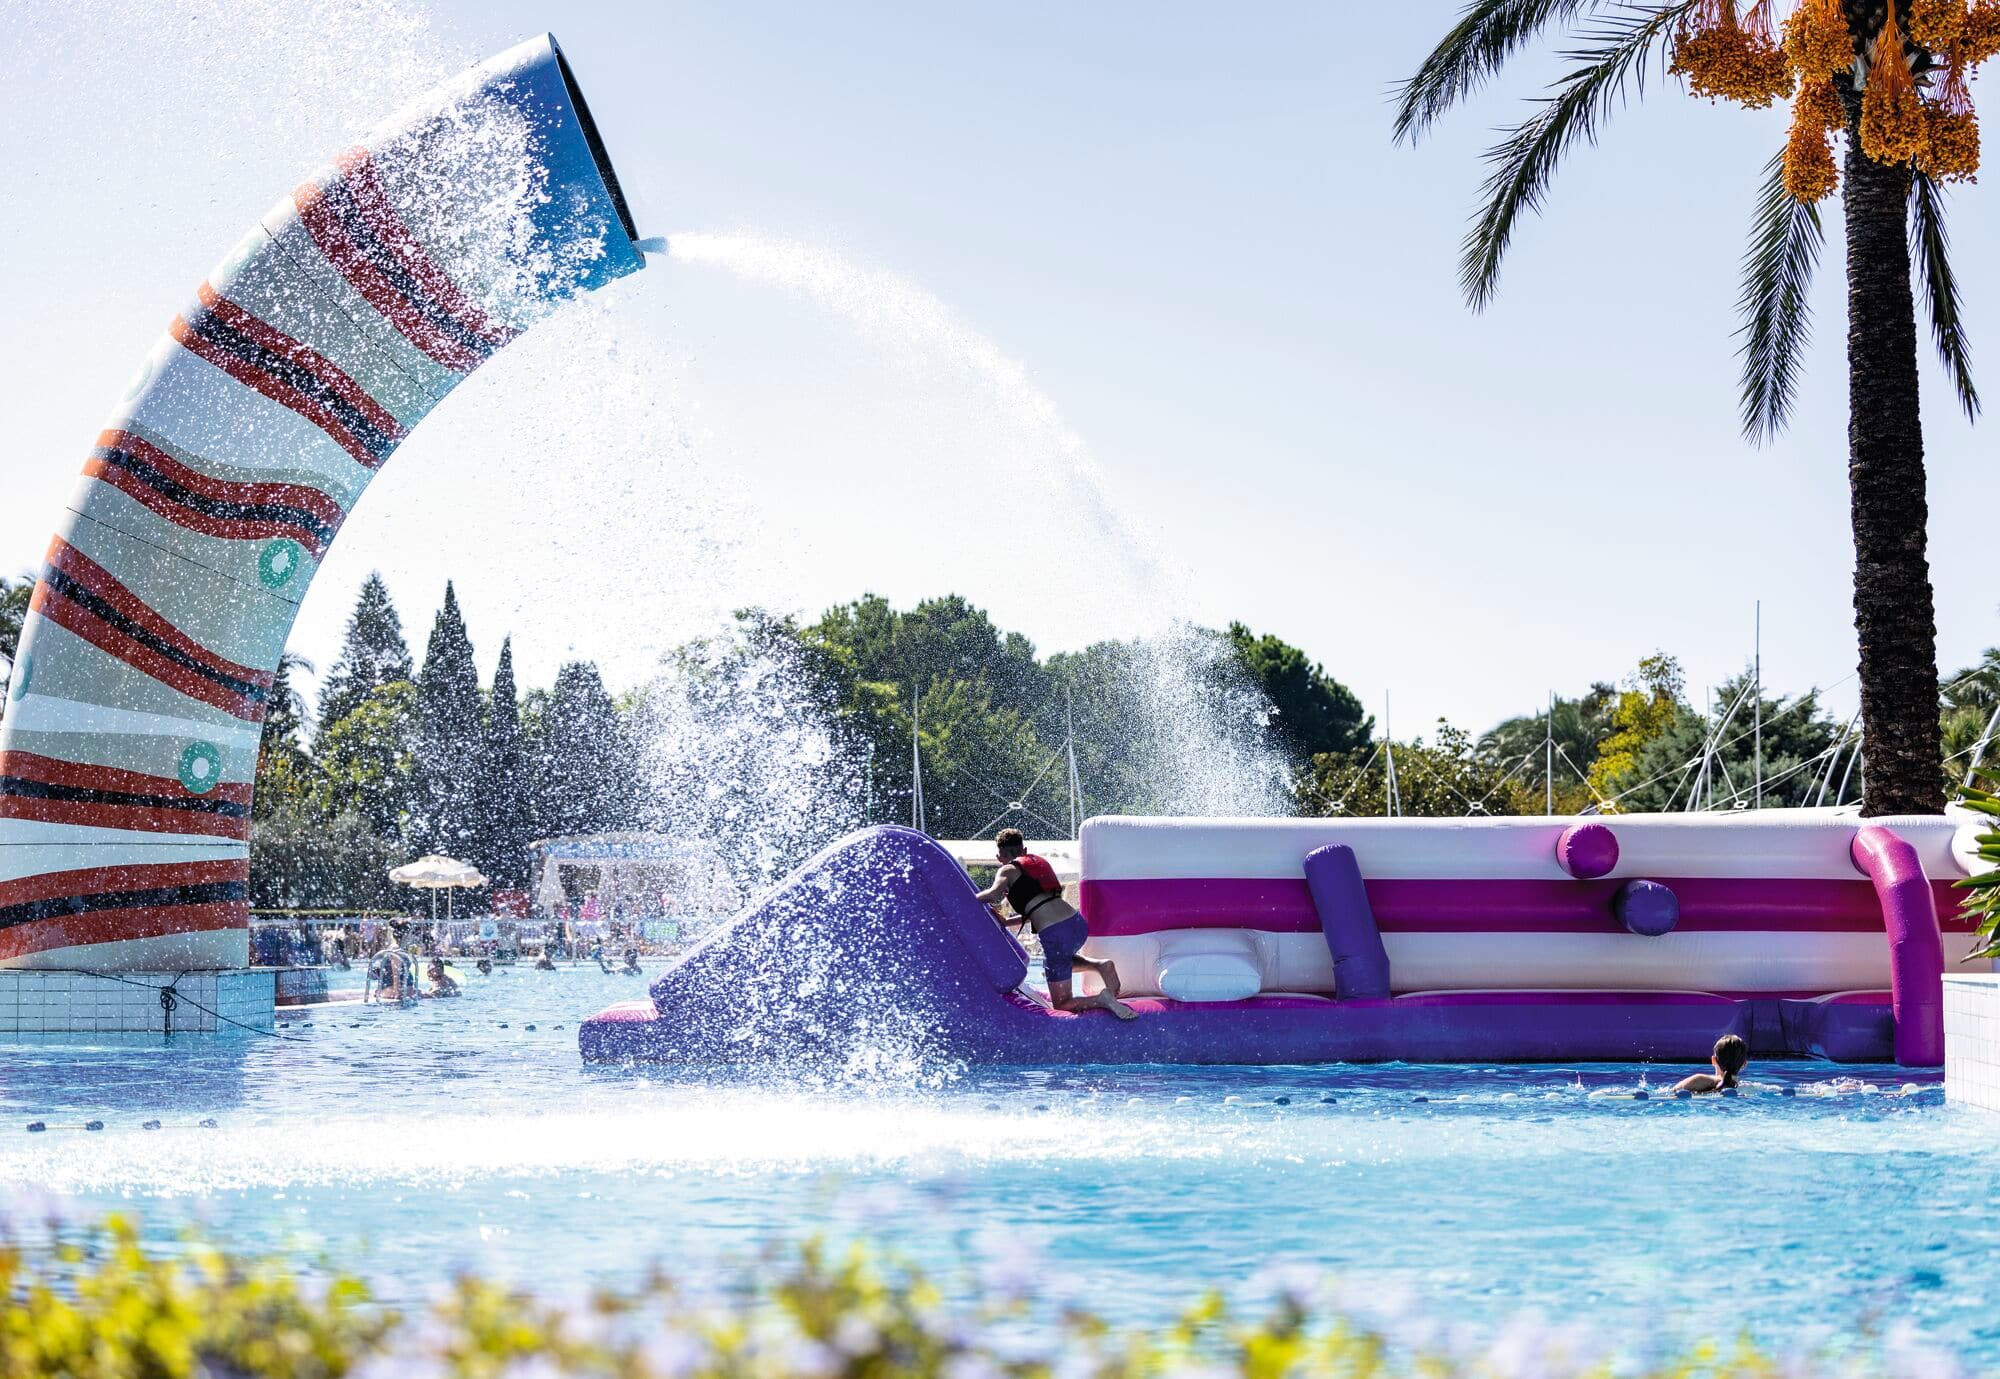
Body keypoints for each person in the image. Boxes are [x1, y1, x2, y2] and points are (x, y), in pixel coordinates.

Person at [972, 828, 1135, 1020]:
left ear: (1000, 856)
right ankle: (1100, 965)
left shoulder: (1007, 869)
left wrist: (967, 897)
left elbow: (993, 895)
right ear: (1024, 850)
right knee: (1062, 959)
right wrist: (1007, 922)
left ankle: (1102, 999)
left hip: (1056, 933)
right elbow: (1040, 908)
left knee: (1062, 1003)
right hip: (1076, 924)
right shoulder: (1036, 864)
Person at [1673, 1034, 1749, 1097]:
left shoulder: (1699, 1080)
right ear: (1744, 1064)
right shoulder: (1746, 1088)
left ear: (1713, 1060)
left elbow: (1674, 1091)